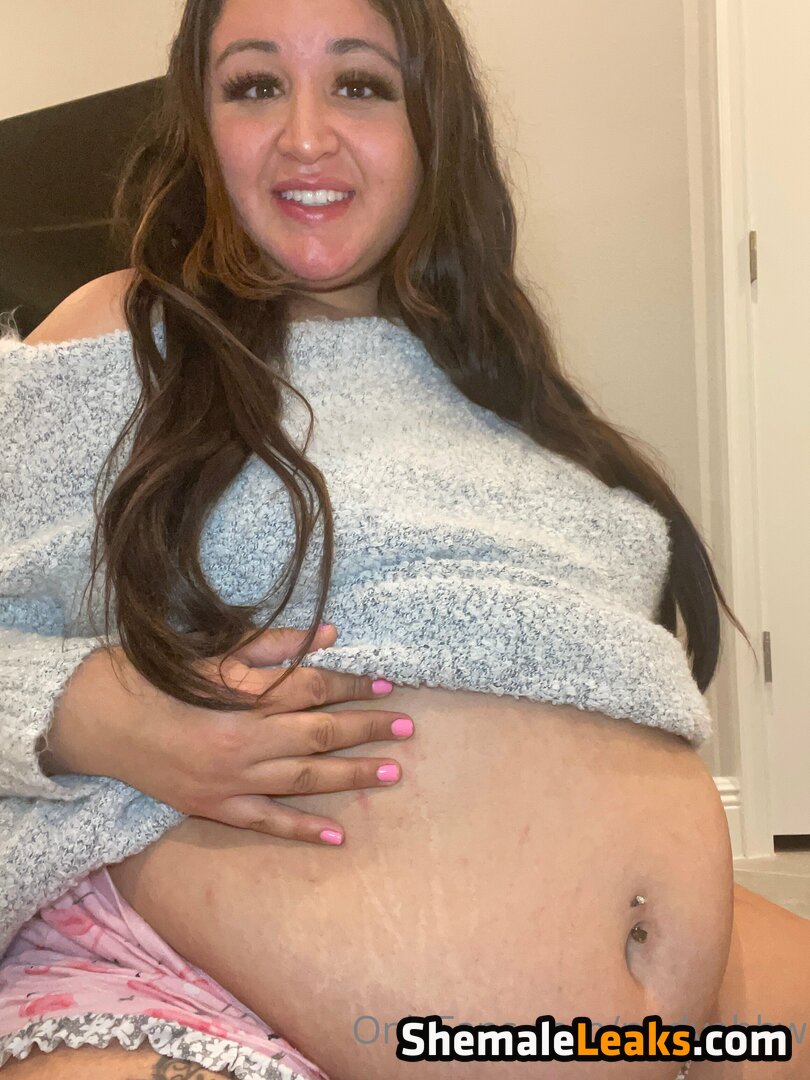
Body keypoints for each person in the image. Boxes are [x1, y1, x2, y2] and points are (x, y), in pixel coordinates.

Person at [0, 0, 807, 1077]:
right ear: (201, 125)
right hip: (195, 996)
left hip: (657, 1029)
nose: (305, 136)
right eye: (254, 86)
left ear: (433, 123)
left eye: (361, 84)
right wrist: (89, 712)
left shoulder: (506, 386)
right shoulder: (124, 335)